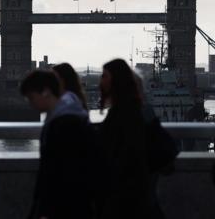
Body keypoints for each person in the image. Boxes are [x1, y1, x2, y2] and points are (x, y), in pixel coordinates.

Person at [21, 70, 95, 219]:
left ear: (46, 92)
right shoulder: (66, 116)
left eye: (31, 97)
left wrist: (45, 210)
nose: (30, 104)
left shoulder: (64, 124)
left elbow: (60, 173)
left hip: (64, 207)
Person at [96, 58, 153, 218]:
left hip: (123, 198)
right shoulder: (132, 111)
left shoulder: (125, 115)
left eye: (105, 76)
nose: (100, 80)